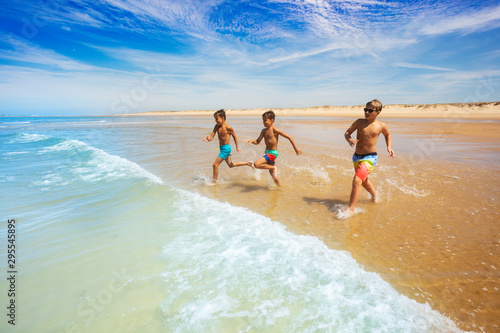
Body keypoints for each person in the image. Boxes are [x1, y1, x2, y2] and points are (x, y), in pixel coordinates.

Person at [344, 99, 395, 216]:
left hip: (370, 157)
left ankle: (350, 210)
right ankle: (374, 193)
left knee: (357, 180)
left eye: (370, 110)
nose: (367, 112)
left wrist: (389, 147)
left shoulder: (381, 125)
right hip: (356, 157)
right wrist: (349, 139)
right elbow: (347, 133)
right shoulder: (359, 122)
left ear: (378, 112)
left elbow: (388, 135)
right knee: (363, 180)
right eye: (365, 109)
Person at [246, 110, 302, 187]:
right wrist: (252, 141)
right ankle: (280, 188)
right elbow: (258, 141)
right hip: (267, 152)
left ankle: (273, 167)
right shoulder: (263, 131)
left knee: (256, 164)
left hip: (272, 153)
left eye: (265, 120)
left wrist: (296, 149)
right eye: (263, 121)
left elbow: (289, 137)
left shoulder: (275, 130)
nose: (263, 122)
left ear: (272, 120)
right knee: (274, 176)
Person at [203, 109, 253, 184]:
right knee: (230, 165)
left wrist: (237, 147)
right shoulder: (216, 127)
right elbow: (212, 136)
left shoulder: (228, 128)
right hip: (221, 148)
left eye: (217, 119)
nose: (215, 121)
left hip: (226, 149)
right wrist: (208, 139)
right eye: (215, 119)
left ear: (223, 118)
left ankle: (214, 183)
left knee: (215, 165)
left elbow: (235, 137)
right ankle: (248, 163)